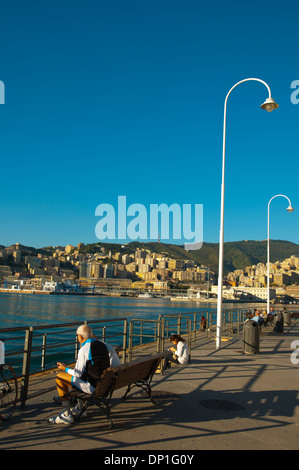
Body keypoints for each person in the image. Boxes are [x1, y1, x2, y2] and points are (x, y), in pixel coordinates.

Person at [49, 324, 110, 425]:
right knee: (77, 378)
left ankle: (66, 414)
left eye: (77, 335)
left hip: (92, 386)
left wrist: (65, 369)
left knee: (60, 377)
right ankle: (80, 409)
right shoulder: (101, 345)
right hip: (104, 383)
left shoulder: (84, 350)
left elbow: (77, 374)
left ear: (81, 337)